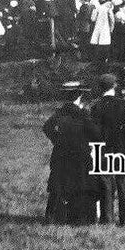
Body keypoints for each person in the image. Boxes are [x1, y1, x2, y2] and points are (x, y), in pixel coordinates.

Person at [89, 73, 125, 227]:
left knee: (105, 184)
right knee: (123, 184)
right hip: (122, 149)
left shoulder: (96, 106)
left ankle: (107, 219)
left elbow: (93, 130)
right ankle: (124, 220)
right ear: (114, 86)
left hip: (104, 149)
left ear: (101, 88)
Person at [42, 89, 103, 226]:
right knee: (81, 185)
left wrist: (57, 140)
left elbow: (46, 127)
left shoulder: (59, 114)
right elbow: (96, 134)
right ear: (80, 96)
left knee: (59, 185)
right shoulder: (83, 114)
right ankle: (80, 218)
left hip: (61, 153)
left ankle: (55, 217)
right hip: (80, 154)